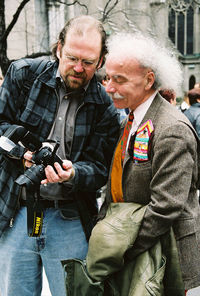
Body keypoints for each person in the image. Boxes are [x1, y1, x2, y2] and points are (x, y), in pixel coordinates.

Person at [0, 15, 120, 296]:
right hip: (16, 210)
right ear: (58, 49)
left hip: (69, 216)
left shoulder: (105, 106)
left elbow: (100, 168)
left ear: (101, 61)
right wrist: (22, 155)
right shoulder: (24, 75)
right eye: (72, 58)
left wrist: (73, 173)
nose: (79, 68)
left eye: (88, 62)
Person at [99, 32, 200, 294]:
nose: (109, 87)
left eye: (119, 80)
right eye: (107, 78)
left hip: (171, 259)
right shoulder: (130, 120)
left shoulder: (172, 128)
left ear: (148, 80)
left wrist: (117, 248)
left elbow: (166, 207)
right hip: (141, 252)